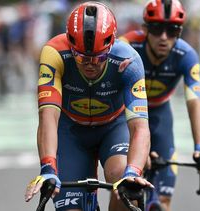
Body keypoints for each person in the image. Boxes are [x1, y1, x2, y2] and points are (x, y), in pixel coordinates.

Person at [24, 1, 153, 211]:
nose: (90, 64)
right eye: (82, 57)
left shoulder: (129, 60)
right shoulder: (54, 53)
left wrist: (133, 171)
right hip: (70, 131)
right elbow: (48, 116)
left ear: (111, 47)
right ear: (71, 46)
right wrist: (48, 166)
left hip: (113, 128)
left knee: (122, 179)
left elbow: (140, 127)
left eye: (99, 57)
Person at [119, 0, 200, 210]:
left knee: (163, 200)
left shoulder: (186, 55)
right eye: (156, 28)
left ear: (180, 32)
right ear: (145, 29)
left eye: (171, 30)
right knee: (125, 197)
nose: (163, 36)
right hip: (125, 115)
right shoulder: (125, 46)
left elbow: (195, 102)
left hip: (160, 115)